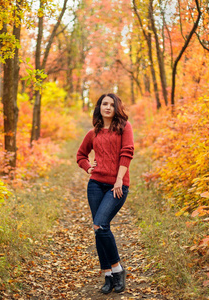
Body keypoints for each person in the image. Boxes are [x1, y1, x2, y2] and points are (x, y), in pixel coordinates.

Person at [76, 93, 134, 294]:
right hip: (95, 185)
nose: (107, 107)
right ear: (99, 107)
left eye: (111, 104)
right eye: (104, 104)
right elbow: (81, 155)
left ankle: (118, 270)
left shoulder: (125, 127)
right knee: (98, 228)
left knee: (101, 225)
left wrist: (119, 180)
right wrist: (88, 167)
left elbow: (127, 153)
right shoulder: (93, 132)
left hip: (117, 185)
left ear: (116, 107)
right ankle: (107, 274)